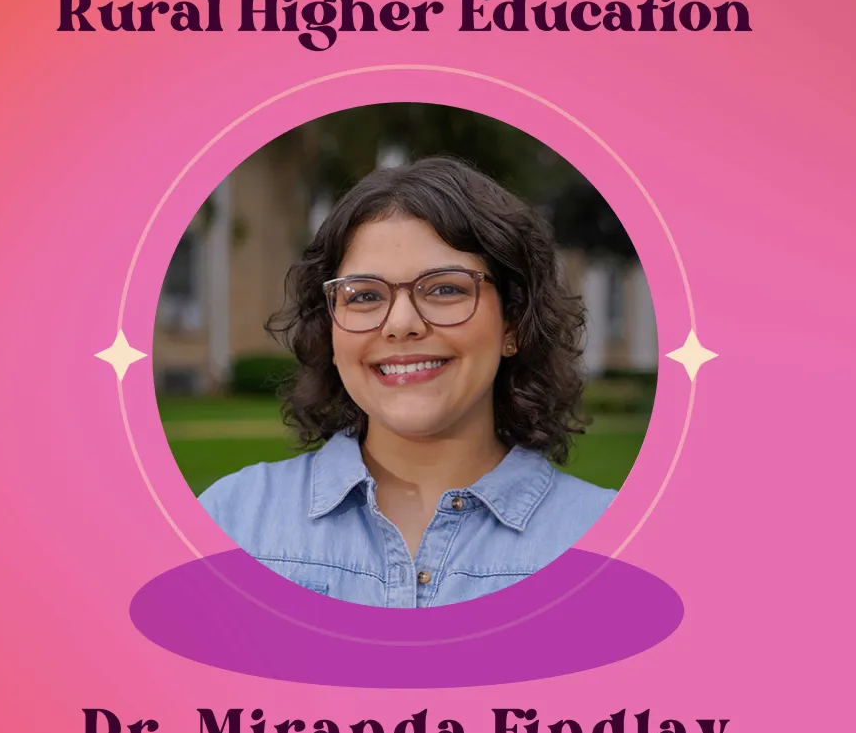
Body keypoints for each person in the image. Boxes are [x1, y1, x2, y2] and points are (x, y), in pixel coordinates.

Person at [198, 156, 614, 606]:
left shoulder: (609, 544)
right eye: (364, 295)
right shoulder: (233, 521)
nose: (400, 324)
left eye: (445, 289)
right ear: (331, 331)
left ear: (513, 323)